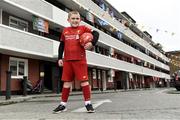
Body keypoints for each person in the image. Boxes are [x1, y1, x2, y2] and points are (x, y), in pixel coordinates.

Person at [53, 10, 99, 113]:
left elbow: (96, 33)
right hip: (68, 60)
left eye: (77, 18)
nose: (75, 20)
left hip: (80, 60)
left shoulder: (83, 28)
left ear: (80, 20)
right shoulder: (65, 30)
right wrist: (60, 58)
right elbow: (61, 45)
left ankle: (88, 103)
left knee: (84, 81)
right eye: (73, 18)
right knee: (66, 83)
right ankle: (63, 105)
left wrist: (92, 43)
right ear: (68, 20)